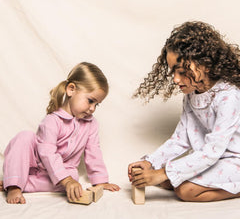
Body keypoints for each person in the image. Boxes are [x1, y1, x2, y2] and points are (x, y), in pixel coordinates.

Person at [128, 21, 240, 202]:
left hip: (234, 160)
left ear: (205, 65)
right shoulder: (192, 94)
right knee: (165, 180)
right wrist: (151, 162)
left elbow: (212, 151)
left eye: (180, 71)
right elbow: (181, 139)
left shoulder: (229, 96)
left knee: (185, 190)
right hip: (213, 160)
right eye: (172, 72)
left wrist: (164, 173)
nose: (175, 79)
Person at [1, 62, 120, 204]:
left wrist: (101, 181)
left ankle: (17, 181)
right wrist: (67, 180)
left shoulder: (91, 124)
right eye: (90, 101)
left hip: (60, 173)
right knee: (25, 136)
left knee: (73, 181)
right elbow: (47, 153)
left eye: (97, 104)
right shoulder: (52, 121)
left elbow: (93, 152)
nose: (93, 108)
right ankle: (14, 185)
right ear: (71, 90)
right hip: (34, 164)